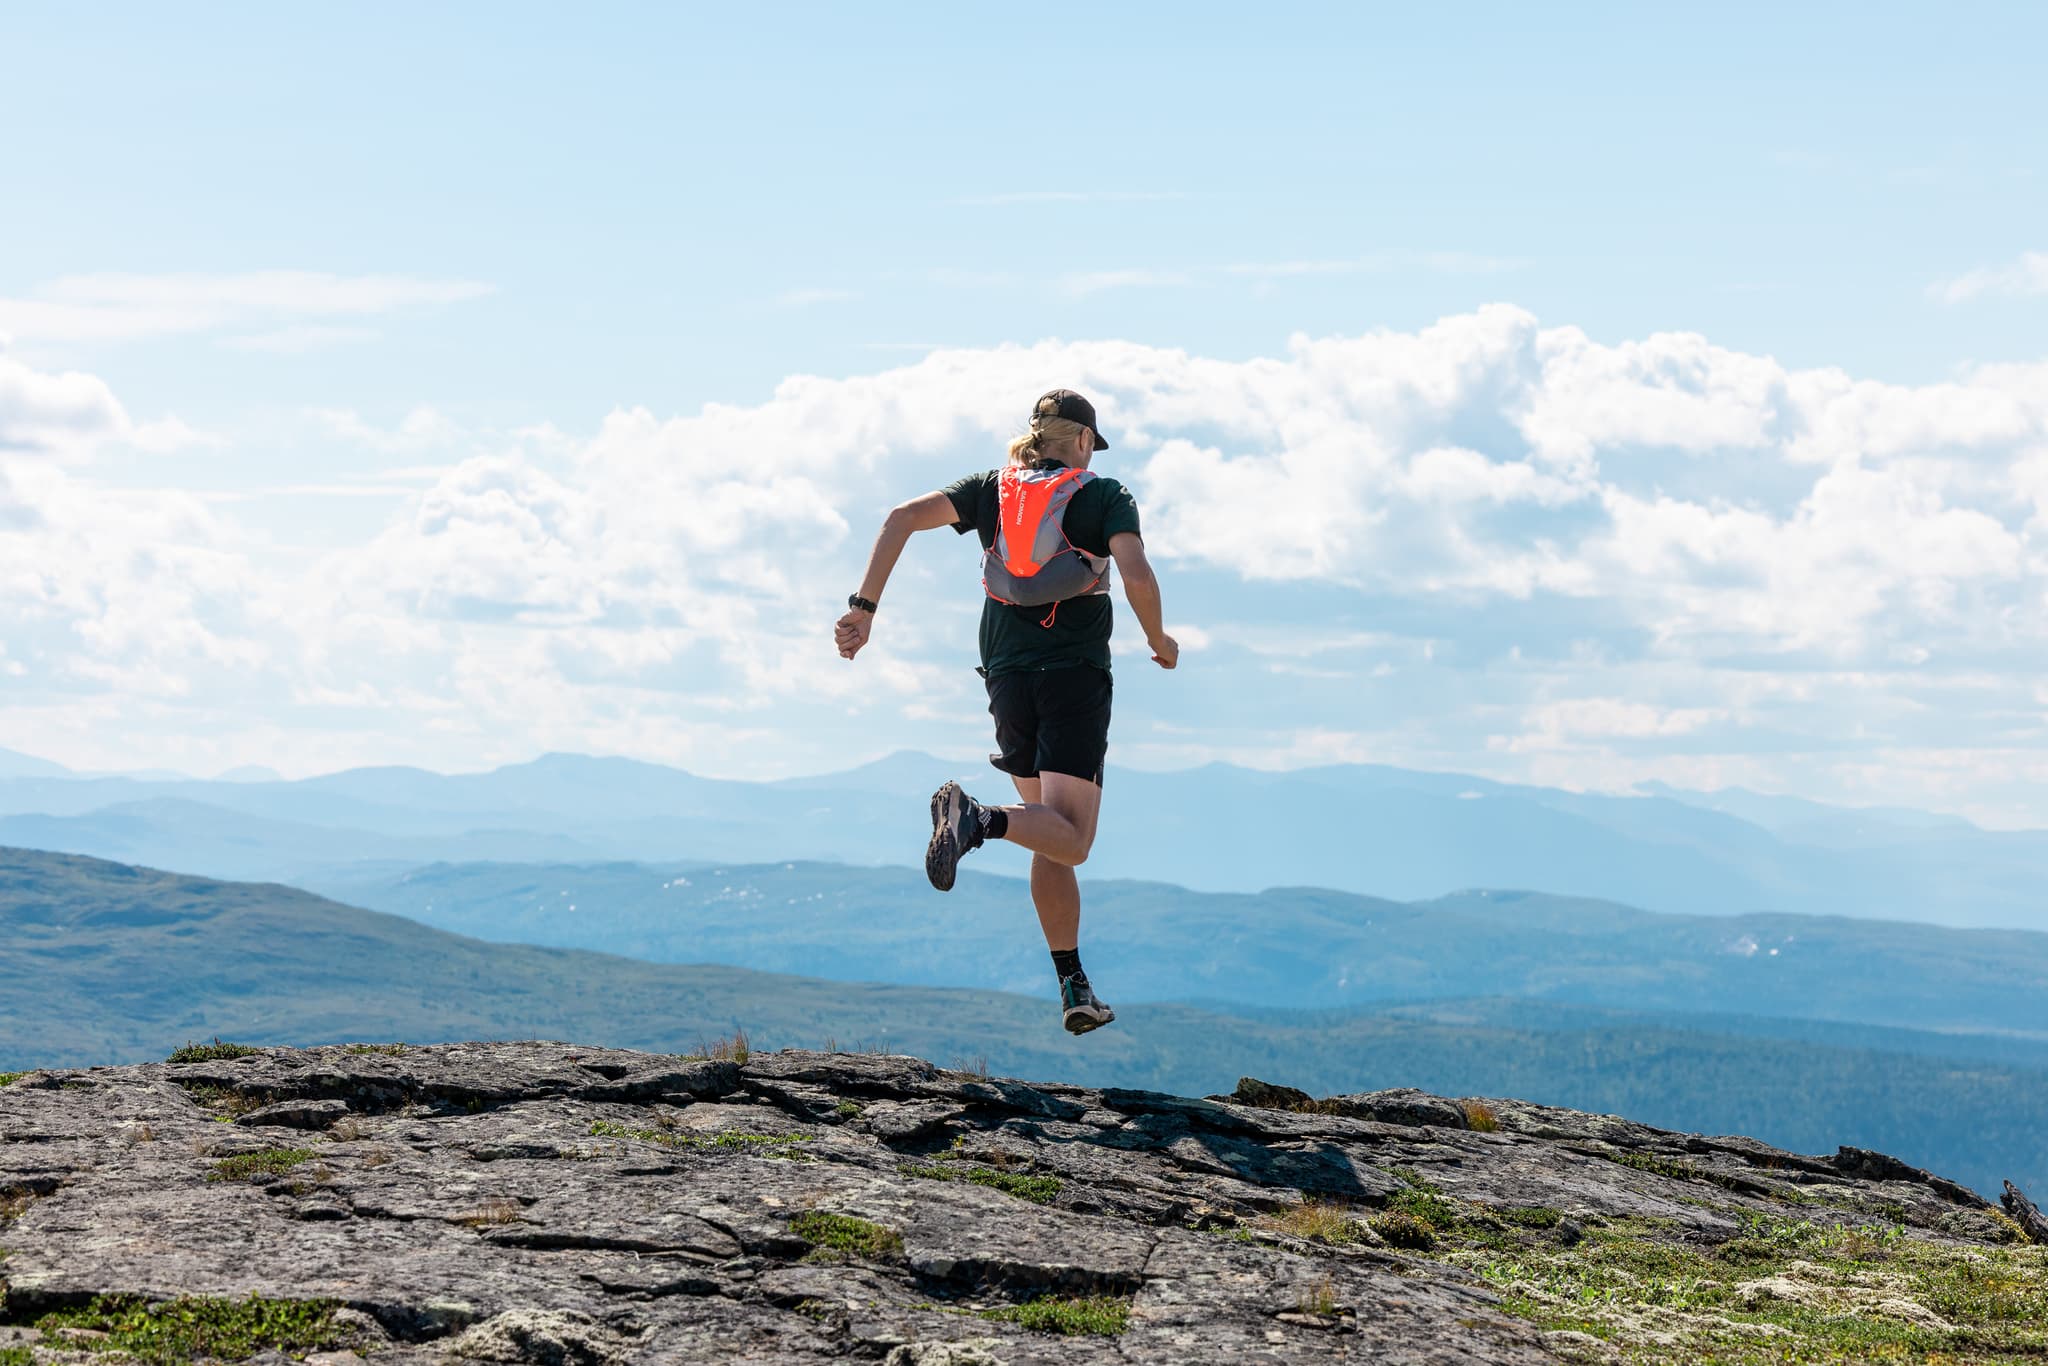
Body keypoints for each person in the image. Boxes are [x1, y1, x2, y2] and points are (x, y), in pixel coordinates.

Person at [834, 389, 1178, 1035]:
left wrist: (864, 608)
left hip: (1005, 677)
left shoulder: (995, 489)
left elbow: (902, 516)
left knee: (1043, 825)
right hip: (1073, 676)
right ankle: (977, 818)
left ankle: (1074, 986)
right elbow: (1135, 571)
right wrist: (1159, 641)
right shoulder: (1103, 496)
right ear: (1081, 442)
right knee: (1071, 837)